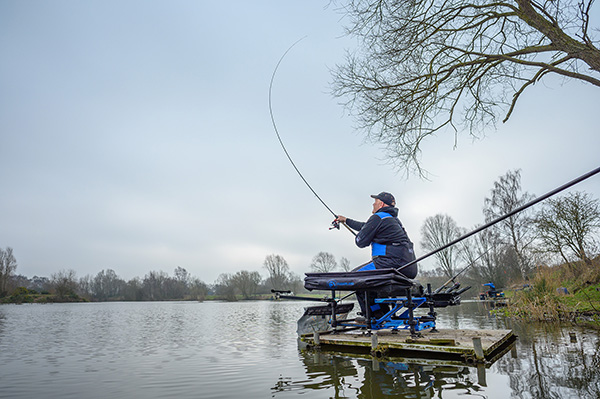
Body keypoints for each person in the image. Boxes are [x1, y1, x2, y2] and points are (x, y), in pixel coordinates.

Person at [336, 192, 417, 319]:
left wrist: (360, 237)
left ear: (381, 204)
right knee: (371, 283)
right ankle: (382, 316)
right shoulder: (392, 219)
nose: (373, 204)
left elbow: (361, 242)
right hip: (408, 266)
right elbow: (366, 227)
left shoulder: (378, 217)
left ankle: (371, 318)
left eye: (375, 201)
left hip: (390, 263)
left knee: (355, 279)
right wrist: (346, 220)